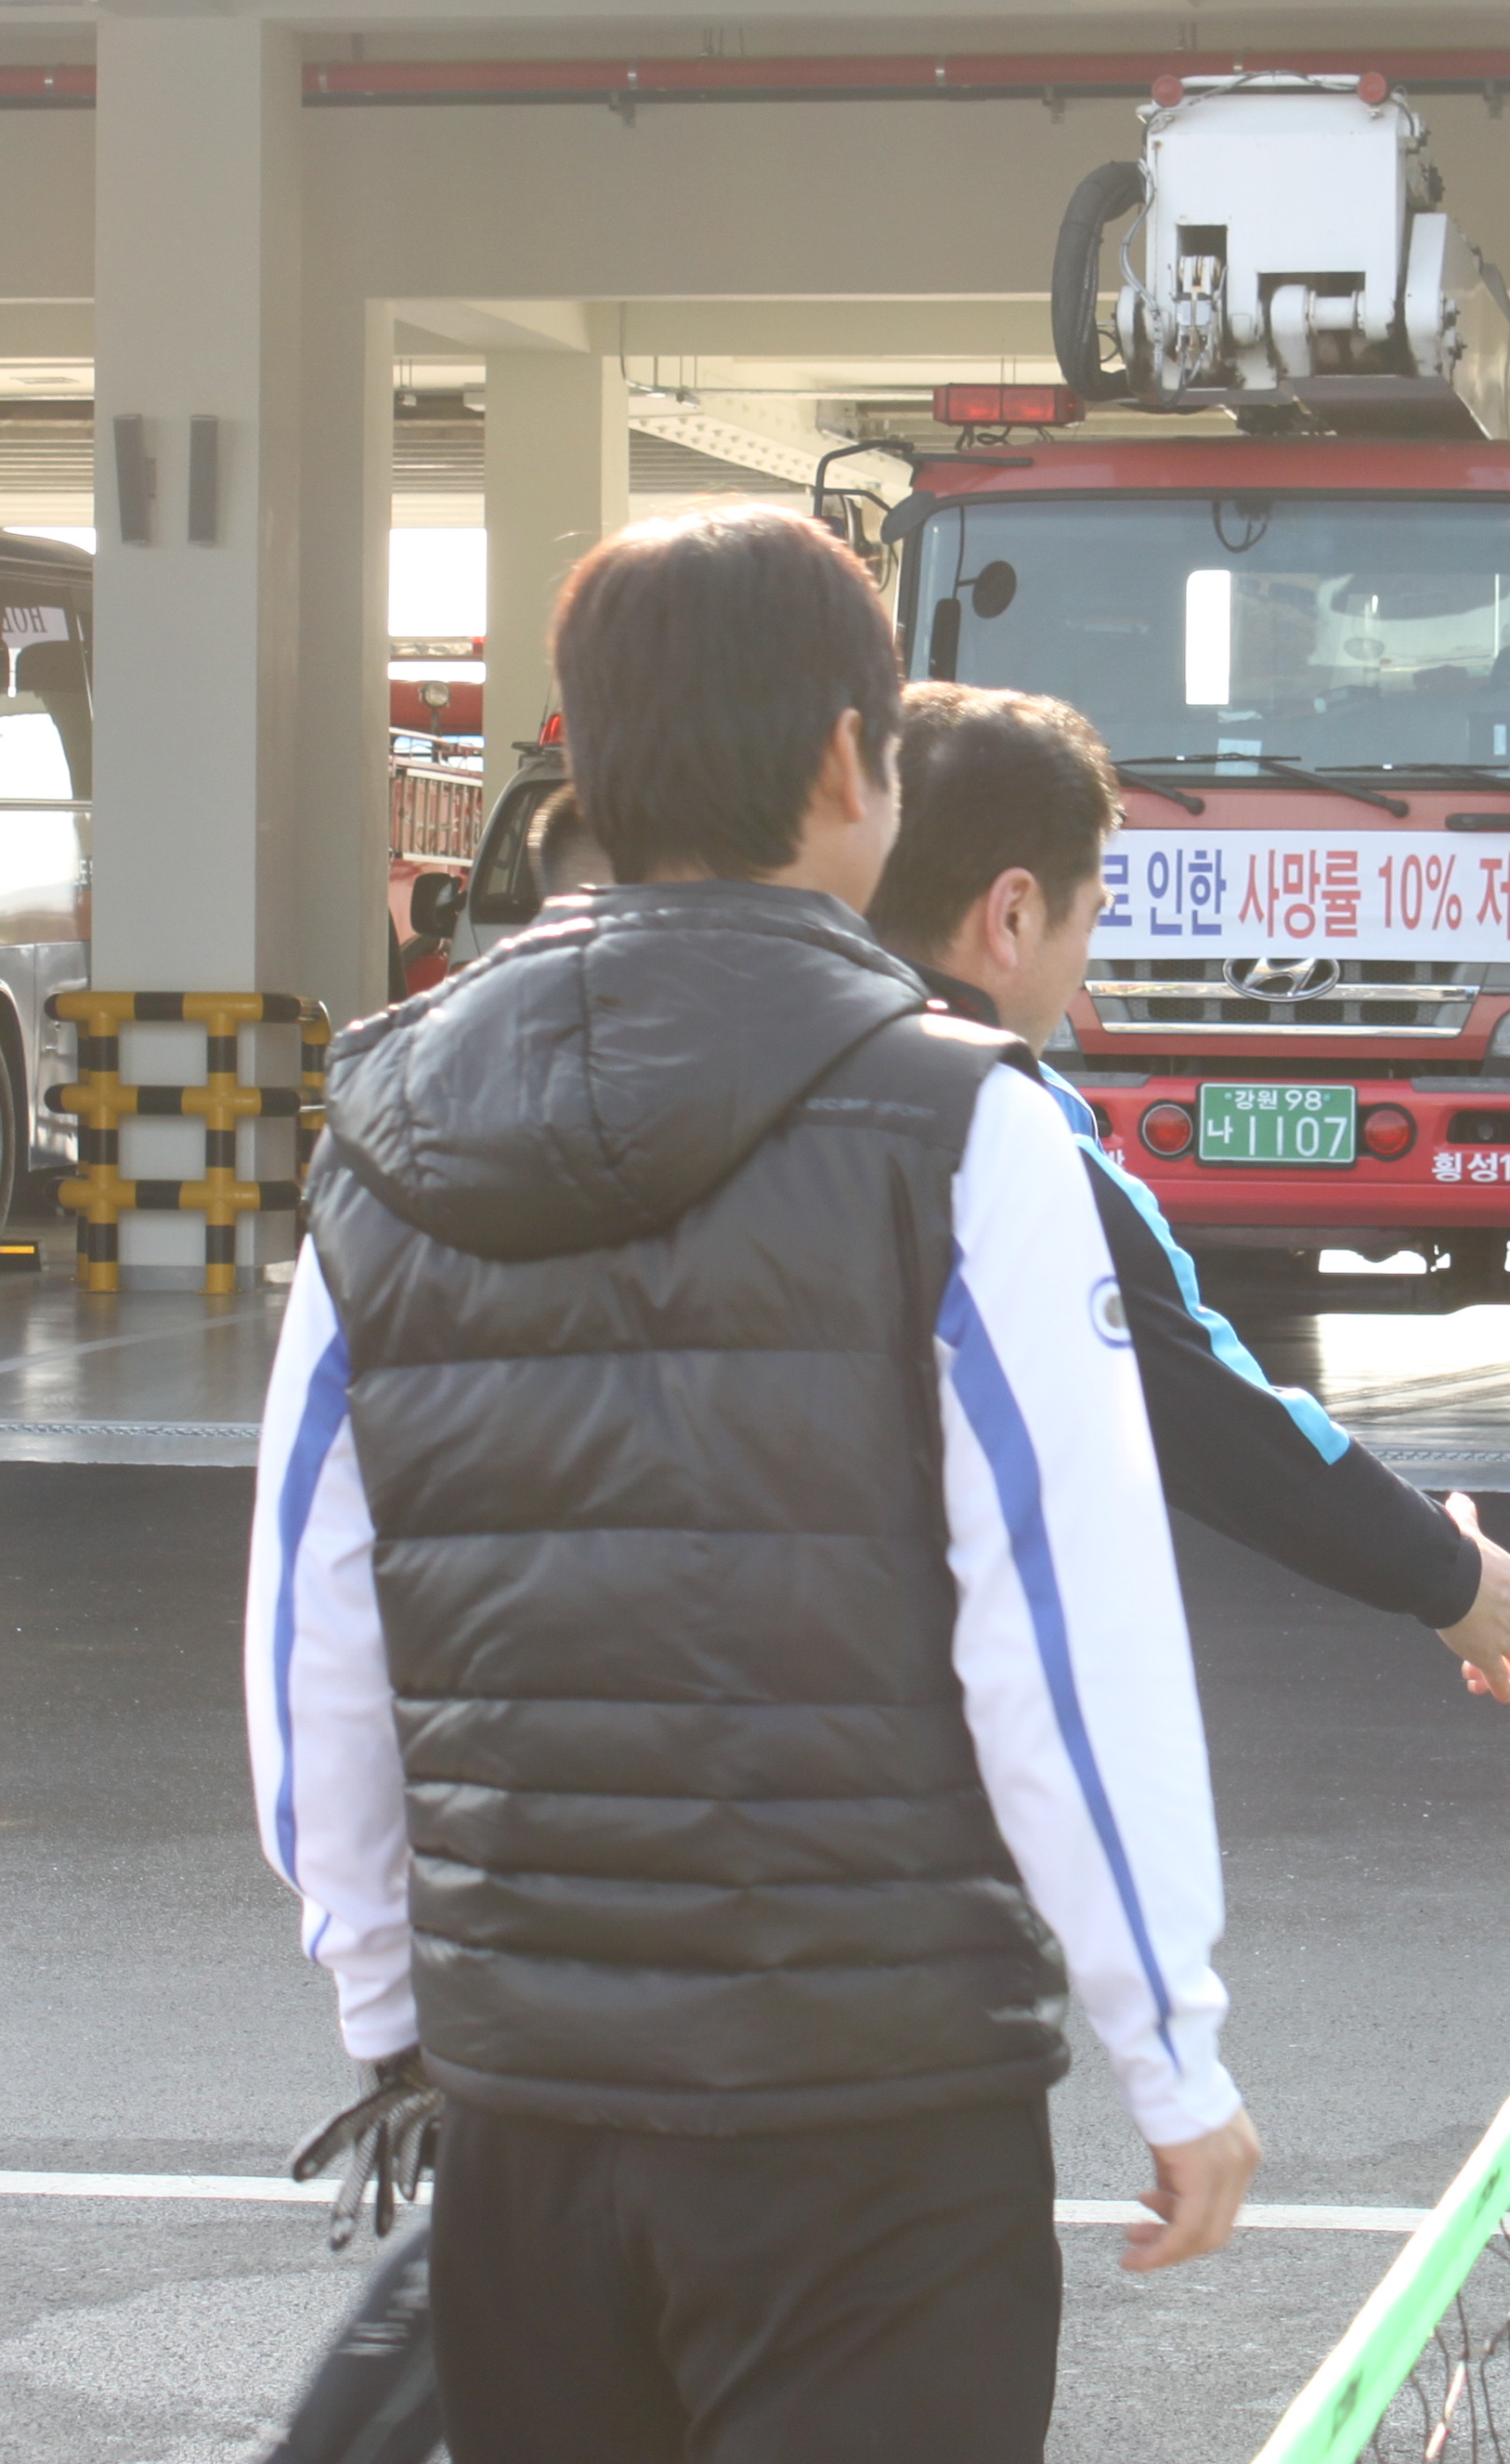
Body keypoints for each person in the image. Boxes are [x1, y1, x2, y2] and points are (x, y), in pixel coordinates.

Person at [247, 504, 1256, 2464]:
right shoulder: (960, 1117)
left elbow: (315, 1629)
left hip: (526, 2113)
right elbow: (1064, 1631)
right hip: (871, 2115)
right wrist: (1170, 2045)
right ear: (850, 763)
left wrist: (394, 2010)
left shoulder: (382, 1112)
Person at [866, 682, 1510, 1701]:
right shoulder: (1009, 1135)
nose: (1085, 961)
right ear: (1013, 914)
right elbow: (1207, 1406)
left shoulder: (700, 1049)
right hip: (888, 1700)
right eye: (1091, 918)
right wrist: (1452, 1575)